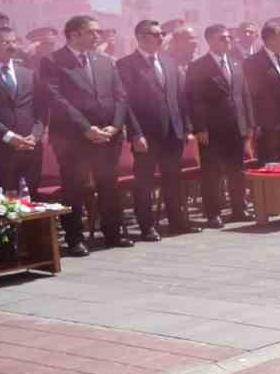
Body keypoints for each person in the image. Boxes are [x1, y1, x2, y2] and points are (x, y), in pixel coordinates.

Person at [39, 14, 140, 255]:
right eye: (92, 32)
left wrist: (114, 127)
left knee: (108, 185)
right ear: (74, 34)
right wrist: (86, 127)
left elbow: (120, 96)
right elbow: (56, 98)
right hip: (73, 139)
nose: (98, 36)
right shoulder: (53, 61)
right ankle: (75, 239)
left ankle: (113, 234)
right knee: (74, 188)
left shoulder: (104, 60)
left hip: (107, 136)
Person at [117, 19, 198, 240]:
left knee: (173, 179)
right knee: (144, 182)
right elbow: (125, 103)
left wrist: (187, 127)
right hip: (146, 134)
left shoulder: (168, 61)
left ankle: (177, 221)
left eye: (162, 33)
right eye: (157, 34)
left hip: (173, 132)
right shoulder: (126, 65)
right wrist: (136, 133)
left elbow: (179, 97)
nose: (162, 37)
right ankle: (147, 226)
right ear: (142, 38)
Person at [186, 24, 252, 227]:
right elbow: (193, 100)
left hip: (236, 127)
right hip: (212, 130)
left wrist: (249, 123)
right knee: (212, 173)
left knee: (237, 171)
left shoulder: (235, 62)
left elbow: (244, 95)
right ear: (210, 41)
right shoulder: (198, 66)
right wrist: (200, 128)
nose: (228, 41)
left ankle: (239, 209)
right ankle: (213, 213)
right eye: (222, 38)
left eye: (229, 38)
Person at [0, 26, 44, 197]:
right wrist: (8, 136)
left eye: (14, 41)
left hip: (30, 148)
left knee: (32, 205)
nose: (12, 46)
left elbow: (40, 109)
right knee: (4, 207)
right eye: (6, 42)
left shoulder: (27, 73)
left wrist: (35, 134)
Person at [243, 23, 280, 163]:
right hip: (267, 126)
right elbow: (251, 95)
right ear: (270, 39)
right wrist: (255, 123)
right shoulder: (253, 62)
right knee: (270, 165)